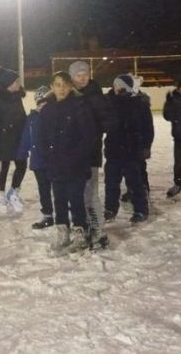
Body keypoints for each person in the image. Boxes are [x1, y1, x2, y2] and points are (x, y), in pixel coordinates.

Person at [38, 72, 96, 253]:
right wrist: (48, 155)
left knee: (76, 200)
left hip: (76, 164)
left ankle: (80, 233)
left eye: (64, 85)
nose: (61, 88)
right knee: (59, 200)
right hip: (55, 163)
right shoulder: (47, 109)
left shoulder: (80, 106)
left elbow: (89, 136)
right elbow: (41, 137)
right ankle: (63, 232)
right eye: (57, 84)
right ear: (52, 87)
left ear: (70, 86)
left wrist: (78, 156)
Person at [68, 60, 114, 249]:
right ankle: (83, 226)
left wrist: (92, 132)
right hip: (71, 153)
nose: (82, 77)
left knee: (91, 193)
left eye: (85, 74)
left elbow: (108, 121)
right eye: (78, 75)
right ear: (72, 77)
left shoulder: (96, 96)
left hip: (90, 151)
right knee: (76, 193)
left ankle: (98, 229)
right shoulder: (68, 96)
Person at [104, 74, 154, 226]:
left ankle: (141, 210)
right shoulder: (109, 101)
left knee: (135, 182)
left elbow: (148, 128)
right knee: (111, 182)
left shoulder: (139, 103)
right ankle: (110, 209)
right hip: (113, 148)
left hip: (132, 149)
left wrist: (146, 146)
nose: (117, 88)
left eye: (121, 86)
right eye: (115, 85)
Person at [0, 66, 27, 214]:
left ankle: (13, 192)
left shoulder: (17, 99)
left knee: (22, 166)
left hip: (18, 139)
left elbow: (22, 117)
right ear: (8, 83)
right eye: (16, 81)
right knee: (3, 168)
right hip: (3, 140)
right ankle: (0, 195)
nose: (19, 83)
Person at [17, 86, 53, 229]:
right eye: (40, 102)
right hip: (38, 160)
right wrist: (22, 153)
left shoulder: (55, 115)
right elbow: (26, 137)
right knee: (44, 189)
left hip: (54, 159)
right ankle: (48, 214)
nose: (43, 105)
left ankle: (66, 214)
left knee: (60, 188)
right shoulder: (31, 118)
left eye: (46, 102)